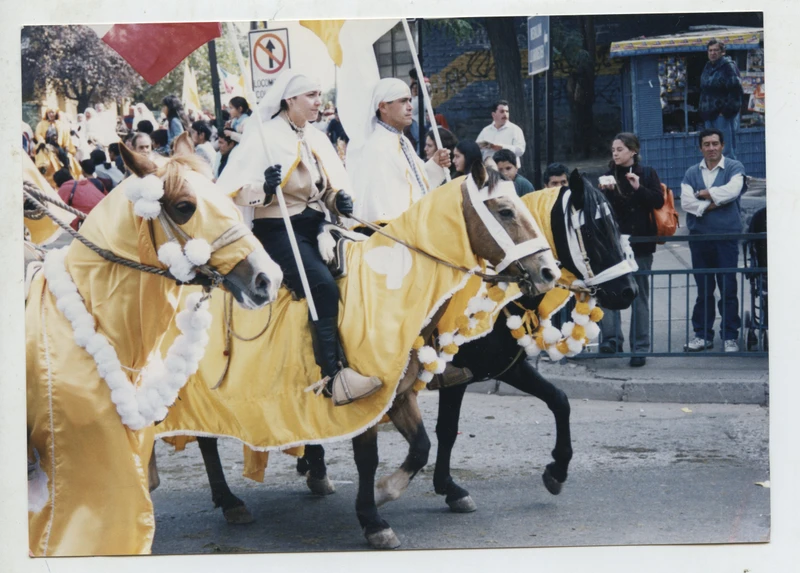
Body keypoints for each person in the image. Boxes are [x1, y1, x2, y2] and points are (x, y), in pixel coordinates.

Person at [217, 71, 383, 405]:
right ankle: (333, 376)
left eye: (319, 95)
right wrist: (265, 188)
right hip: (279, 230)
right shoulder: (263, 136)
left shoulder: (316, 136)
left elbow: (327, 187)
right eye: (311, 95)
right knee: (321, 285)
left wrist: (339, 200)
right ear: (289, 100)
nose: (318, 102)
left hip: (319, 226)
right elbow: (233, 190)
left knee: (370, 266)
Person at [597, 133, 664, 367]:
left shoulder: (647, 174)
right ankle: (612, 339)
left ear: (633, 151)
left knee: (639, 296)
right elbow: (605, 212)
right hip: (613, 245)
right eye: (613, 149)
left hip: (640, 243)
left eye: (620, 149)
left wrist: (638, 188)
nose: (615, 153)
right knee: (608, 291)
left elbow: (658, 201)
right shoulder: (608, 176)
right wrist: (606, 194)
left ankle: (640, 347)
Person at [679, 128, 746, 353]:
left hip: (726, 237)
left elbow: (733, 191)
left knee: (728, 287)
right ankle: (702, 335)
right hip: (699, 238)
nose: (711, 148)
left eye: (715, 143)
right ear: (700, 148)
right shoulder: (690, 172)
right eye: (706, 144)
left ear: (722, 146)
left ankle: (729, 336)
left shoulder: (734, 167)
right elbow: (687, 203)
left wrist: (705, 194)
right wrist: (714, 201)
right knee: (704, 289)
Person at [349, 78, 451, 223]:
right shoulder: (378, 148)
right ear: (383, 107)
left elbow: (413, 186)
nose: (410, 107)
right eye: (403, 101)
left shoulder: (401, 139)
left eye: (409, 100)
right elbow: (387, 209)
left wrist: (435, 164)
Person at [699, 39, 743, 160]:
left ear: (722, 52)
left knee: (726, 150)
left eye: (716, 50)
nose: (712, 53)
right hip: (709, 114)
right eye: (710, 50)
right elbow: (704, 89)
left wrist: (725, 112)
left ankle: (732, 176)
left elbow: (736, 91)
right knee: (712, 150)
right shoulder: (708, 66)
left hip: (722, 116)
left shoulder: (728, 67)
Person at [476, 99, 526, 166]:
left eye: (507, 111)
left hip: (509, 171)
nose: (505, 114)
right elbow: (476, 149)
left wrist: (502, 147)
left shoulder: (515, 129)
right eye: (502, 111)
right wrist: (481, 146)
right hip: (489, 170)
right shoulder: (485, 130)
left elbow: (520, 150)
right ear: (493, 115)